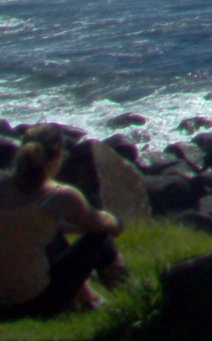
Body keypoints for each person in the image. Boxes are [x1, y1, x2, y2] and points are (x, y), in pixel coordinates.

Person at [0, 126, 123, 320]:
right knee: (101, 237)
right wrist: (117, 221)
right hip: (32, 304)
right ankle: (127, 295)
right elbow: (102, 224)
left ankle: (90, 299)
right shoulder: (59, 195)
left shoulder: (3, 184)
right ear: (58, 155)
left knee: (50, 234)